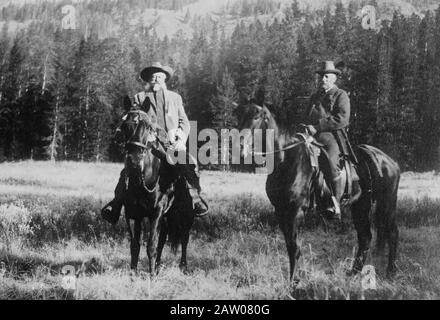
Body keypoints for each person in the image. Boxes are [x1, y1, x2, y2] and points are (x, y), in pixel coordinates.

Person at [101, 62, 209, 225]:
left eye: (160, 77)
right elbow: (131, 119)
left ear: (165, 79)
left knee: (187, 164)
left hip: (171, 143)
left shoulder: (175, 98)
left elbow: (184, 122)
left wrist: (180, 139)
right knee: (128, 170)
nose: (156, 80)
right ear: (148, 80)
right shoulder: (139, 97)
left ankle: (195, 199)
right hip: (148, 144)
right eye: (153, 77)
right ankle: (116, 205)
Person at [304, 61, 351, 219]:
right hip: (311, 136)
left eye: (326, 76)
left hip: (332, 136)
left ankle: (335, 204)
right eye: (321, 77)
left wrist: (318, 127)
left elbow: (342, 118)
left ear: (334, 78)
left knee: (331, 163)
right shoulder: (315, 97)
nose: (322, 79)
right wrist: (306, 128)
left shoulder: (340, 95)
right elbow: (306, 116)